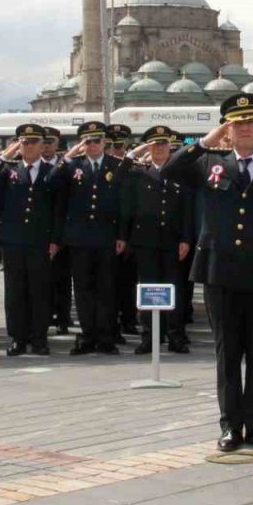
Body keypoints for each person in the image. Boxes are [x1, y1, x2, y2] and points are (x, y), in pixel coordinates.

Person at [163, 93, 253, 452]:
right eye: (237, 124)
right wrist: (206, 141)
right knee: (227, 353)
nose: (244, 129)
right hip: (219, 273)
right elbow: (170, 169)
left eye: (250, 122)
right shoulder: (210, 163)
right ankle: (229, 426)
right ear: (228, 129)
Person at [52, 121, 128, 355]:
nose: (93, 145)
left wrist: (122, 235)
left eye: (97, 140)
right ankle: (87, 336)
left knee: (106, 288)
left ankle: (105, 337)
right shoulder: (72, 165)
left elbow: (124, 204)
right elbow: (51, 181)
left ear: (104, 142)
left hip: (107, 237)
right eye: (88, 141)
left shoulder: (117, 165)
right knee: (83, 289)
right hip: (80, 238)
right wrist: (69, 155)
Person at [120, 126, 193, 354]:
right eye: (154, 144)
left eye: (163, 144)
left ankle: (176, 336)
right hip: (146, 241)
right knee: (148, 289)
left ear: (170, 147)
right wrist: (135, 151)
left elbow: (188, 209)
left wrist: (186, 238)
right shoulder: (138, 172)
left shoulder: (180, 172)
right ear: (148, 147)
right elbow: (120, 177)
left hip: (173, 241)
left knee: (174, 289)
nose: (159, 148)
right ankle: (150, 337)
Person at [0, 123, 58, 356]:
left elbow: (59, 209)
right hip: (13, 240)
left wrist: (55, 239)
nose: (29, 146)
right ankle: (18, 338)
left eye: (33, 142)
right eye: (24, 142)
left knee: (40, 291)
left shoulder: (52, 172)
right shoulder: (8, 170)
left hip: (41, 240)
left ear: (42, 145)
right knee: (15, 291)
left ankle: (39, 338)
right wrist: (5, 155)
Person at [107, 123, 139, 341]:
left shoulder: (134, 167)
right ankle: (112, 325)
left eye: (120, 146)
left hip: (129, 233)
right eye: (112, 146)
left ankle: (128, 320)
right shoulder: (106, 167)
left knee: (128, 282)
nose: (116, 150)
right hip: (107, 233)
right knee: (109, 284)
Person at [41, 127, 74, 334]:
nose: (46, 146)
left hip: (62, 227)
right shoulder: (30, 164)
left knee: (62, 277)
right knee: (42, 278)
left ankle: (63, 317)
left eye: (50, 142)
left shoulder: (68, 166)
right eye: (43, 142)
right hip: (39, 229)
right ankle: (44, 316)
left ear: (57, 143)